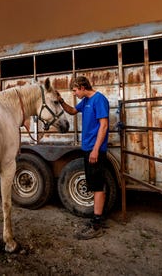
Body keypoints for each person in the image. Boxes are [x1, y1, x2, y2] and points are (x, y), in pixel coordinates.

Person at [57, 76, 110, 240]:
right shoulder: (86, 101)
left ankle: (97, 224)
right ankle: (96, 218)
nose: (74, 93)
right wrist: (60, 101)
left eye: (74, 90)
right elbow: (73, 111)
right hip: (88, 149)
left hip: (95, 150)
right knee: (93, 185)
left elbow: (104, 125)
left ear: (81, 87)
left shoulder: (99, 99)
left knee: (98, 186)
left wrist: (95, 150)